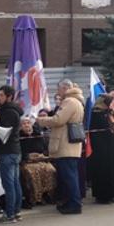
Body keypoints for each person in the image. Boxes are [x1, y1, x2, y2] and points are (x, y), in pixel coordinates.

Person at [37, 79, 85, 215]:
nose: (58, 92)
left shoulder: (69, 102)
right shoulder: (77, 101)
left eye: (59, 89)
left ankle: (74, 204)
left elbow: (58, 120)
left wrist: (41, 120)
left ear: (65, 88)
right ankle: (71, 202)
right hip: (70, 144)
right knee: (71, 175)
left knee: (68, 176)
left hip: (65, 144)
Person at [0, 86, 23, 223]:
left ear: (9, 96)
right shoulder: (12, 110)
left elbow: (5, 133)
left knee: (9, 184)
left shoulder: (8, 112)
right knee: (15, 183)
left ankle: (10, 214)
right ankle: (16, 212)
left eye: (2, 95)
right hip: (14, 150)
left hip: (8, 151)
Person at [88, 95, 114, 204]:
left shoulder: (108, 113)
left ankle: (110, 194)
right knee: (101, 170)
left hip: (109, 145)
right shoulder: (96, 113)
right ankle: (102, 196)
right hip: (100, 147)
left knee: (109, 169)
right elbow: (103, 127)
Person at [19, 117, 55, 207]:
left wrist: (40, 155)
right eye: (24, 123)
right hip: (27, 161)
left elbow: (42, 148)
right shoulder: (19, 136)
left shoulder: (37, 135)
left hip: (40, 159)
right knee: (32, 172)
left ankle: (46, 195)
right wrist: (28, 156)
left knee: (50, 170)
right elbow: (20, 151)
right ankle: (34, 198)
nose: (27, 125)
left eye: (28, 123)